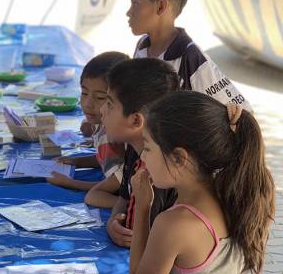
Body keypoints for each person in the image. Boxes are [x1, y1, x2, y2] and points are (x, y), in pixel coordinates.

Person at [129, 91, 274, 274]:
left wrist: (142, 208)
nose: (143, 157)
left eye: (148, 148)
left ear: (179, 158)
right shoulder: (239, 197)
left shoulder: (173, 225)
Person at [127, 0, 252, 111]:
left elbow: (243, 112)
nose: (129, 12)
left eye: (135, 4)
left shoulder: (191, 59)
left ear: (160, 6)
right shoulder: (142, 45)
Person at [102, 58, 179, 248]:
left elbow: (147, 244)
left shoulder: (160, 177)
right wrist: (113, 222)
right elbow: (124, 196)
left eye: (110, 104)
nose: (102, 110)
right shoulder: (135, 149)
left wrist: (129, 237)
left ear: (136, 121)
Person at [46, 52, 129, 208]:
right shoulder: (100, 125)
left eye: (100, 98)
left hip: (126, 195)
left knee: (92, 198)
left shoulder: (116, 135)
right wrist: (77, 161)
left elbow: (118, 183)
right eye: (84, 93)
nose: (88, 104)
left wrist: (70, 183)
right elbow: (108, 159)